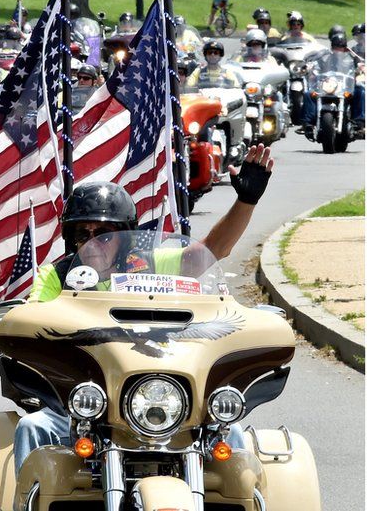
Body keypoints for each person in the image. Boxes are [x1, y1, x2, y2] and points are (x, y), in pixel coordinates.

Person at [14, 147, 273, 472]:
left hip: (159, 389)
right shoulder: (57, 275)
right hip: (85, 397)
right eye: (83, 233)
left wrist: (246, 201)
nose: (92, 242)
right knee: (33, 427)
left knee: (228, 428)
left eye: (104, 234)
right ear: (71, 238)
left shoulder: (152, 265)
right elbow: (32, 318)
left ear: (123, 238)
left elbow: (212, 251)